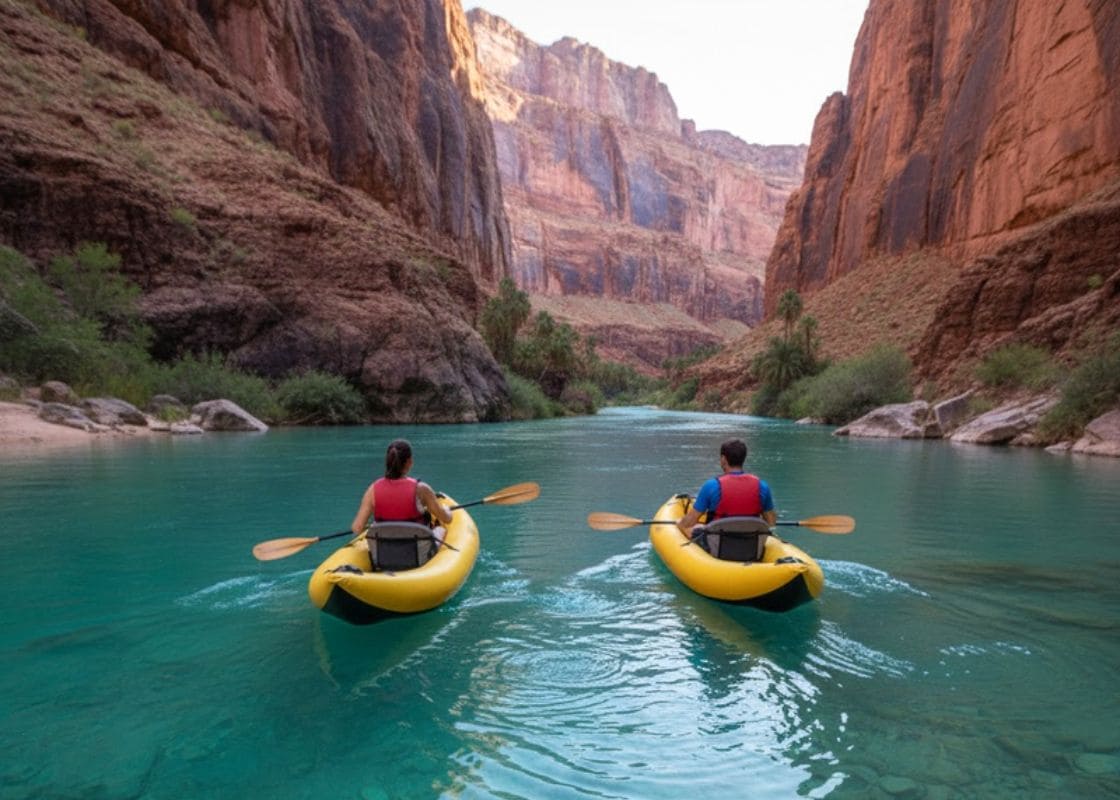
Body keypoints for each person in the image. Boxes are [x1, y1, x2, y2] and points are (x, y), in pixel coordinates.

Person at [351, 439, 453, 542]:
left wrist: (371, 526)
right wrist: (447, 510)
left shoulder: (372, 490)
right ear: (410, 462)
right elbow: (446, 519)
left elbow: (357, 528)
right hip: (417, 552)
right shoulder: (422, 489)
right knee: (440, 529)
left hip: (382, 552)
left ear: (388, 461)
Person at [676, 438, 776, 538]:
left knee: (688, 526)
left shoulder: (711, 486)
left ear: (723, 459)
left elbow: (689, 522)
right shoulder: (762, 486)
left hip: (718, 546)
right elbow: (771, 523)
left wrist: (679, 523)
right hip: (752, 545)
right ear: (744, 458)